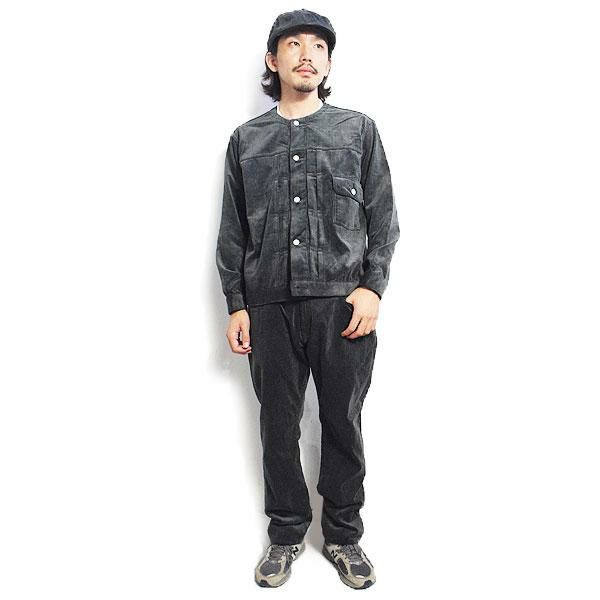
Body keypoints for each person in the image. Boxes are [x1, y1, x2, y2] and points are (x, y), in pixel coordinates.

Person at [215, 9, 400, 590]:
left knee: (342, 422)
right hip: (268, 306)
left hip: (342, 306)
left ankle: (343, 535)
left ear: (328, 63)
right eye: (293, 44)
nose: (307, 54)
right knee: (277, 426)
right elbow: (233, 230)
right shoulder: (246, 141)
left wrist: (371, 287)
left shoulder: (357, 131)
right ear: (273, 61)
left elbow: (384, 218)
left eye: (318, 46)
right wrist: (237, 302)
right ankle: (286, 533)